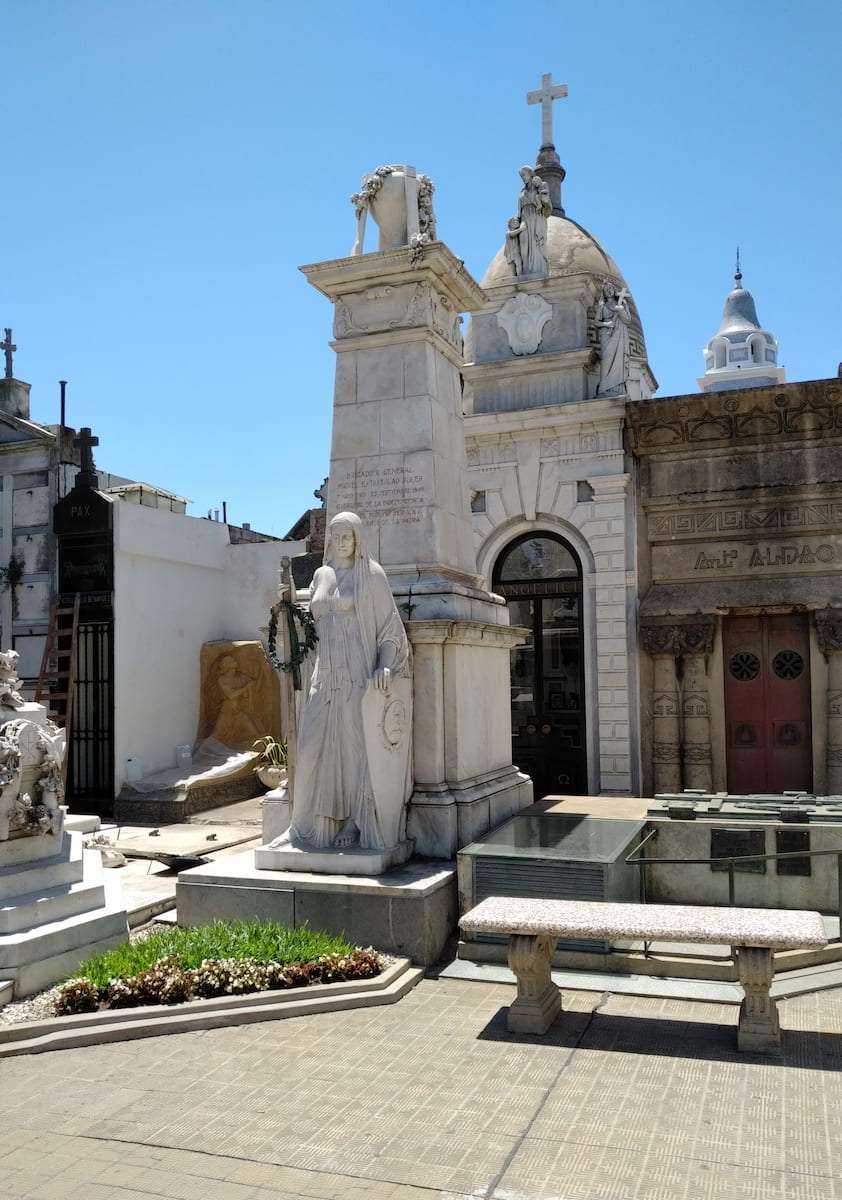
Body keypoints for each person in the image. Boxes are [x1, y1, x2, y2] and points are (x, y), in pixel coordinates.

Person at [283, 511, 411, 850]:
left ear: (358, 539)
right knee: (309, 749)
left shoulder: (371, 574)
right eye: (336, 537)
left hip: (357, 673)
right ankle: (302, 824)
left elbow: (389, 627)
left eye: (347, 537)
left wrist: (385, 665)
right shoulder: (321, 575)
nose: (341, 543)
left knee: (355, 751)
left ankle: (354, 821)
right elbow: (309, 624)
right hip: (324, 674)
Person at [595, 281, 632, 396]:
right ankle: (604, 387)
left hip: (620, 335)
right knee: (606, 360)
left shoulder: (622, 303)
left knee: (619, 360)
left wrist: (620, 310)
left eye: (610, 288)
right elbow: (597, 322)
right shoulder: (602, 306)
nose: (609, 290)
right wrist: (607, 324)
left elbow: (627, 320)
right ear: (604, 293)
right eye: (606, 290)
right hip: (607, 335)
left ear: (614, 290)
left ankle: (617, 386)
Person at [516, 166, 551, 276]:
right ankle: (524, 270)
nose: (523, 178)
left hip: (536, 218)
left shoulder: (539, 186)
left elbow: (548, 206)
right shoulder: (522, 191)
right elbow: (518, 210)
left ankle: (536, 269)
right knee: (523, 243)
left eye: (524, 175)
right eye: (521, 176)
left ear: (530, 174)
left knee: (536, 245)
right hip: (524, 219)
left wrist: (541, 192)